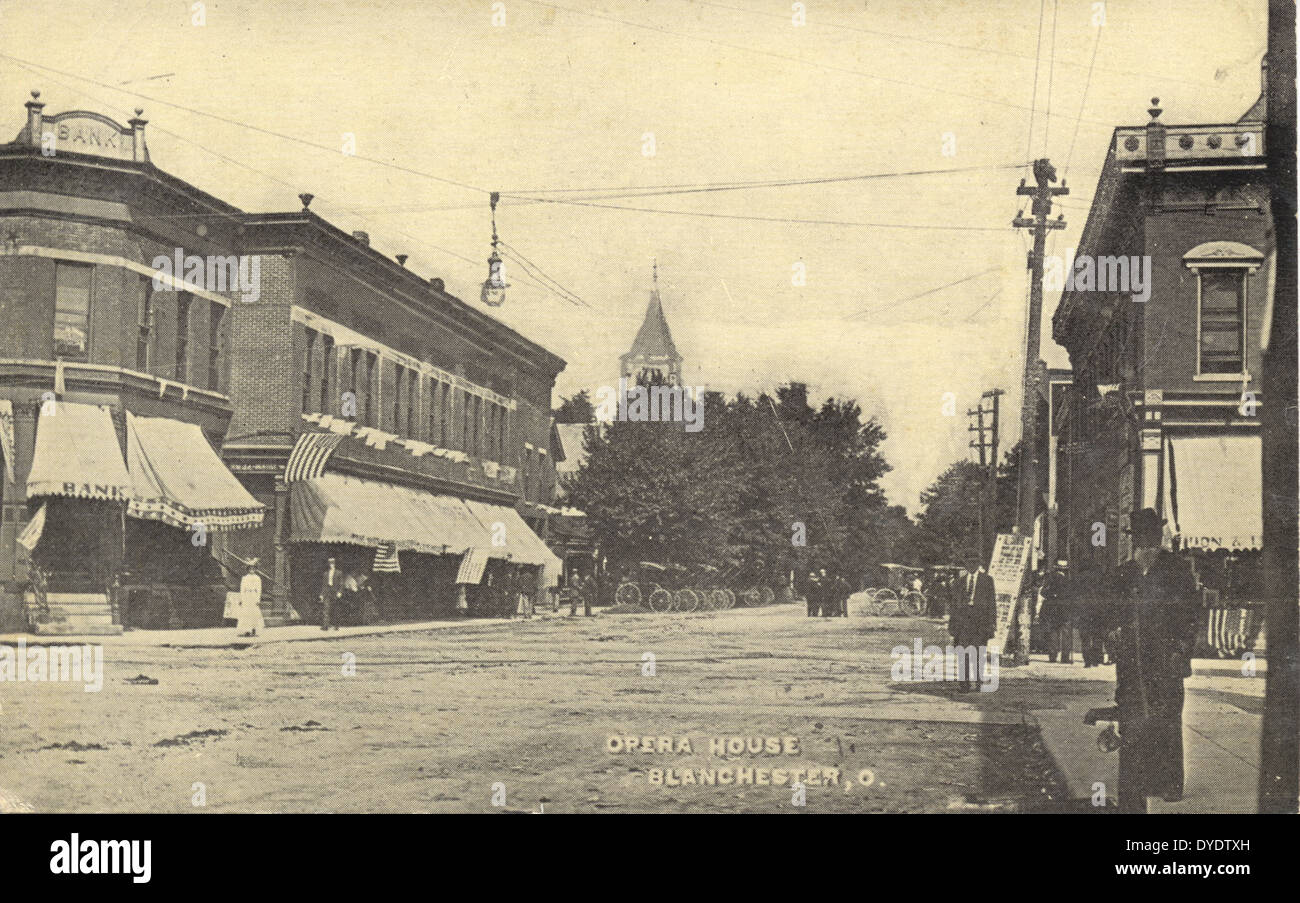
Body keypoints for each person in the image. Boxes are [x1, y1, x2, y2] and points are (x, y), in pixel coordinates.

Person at [1104, 508, 1201, 811]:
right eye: (1141, 539)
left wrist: (1181, 650)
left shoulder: (1177, 569)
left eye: (1151, 538)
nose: (1146, 545)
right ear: (1135, 541)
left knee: (1167, 719)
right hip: (1133, 661)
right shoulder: (1125, 572)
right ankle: (1145, 779)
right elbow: (1111, 611)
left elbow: (1190, 614)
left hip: (1166, 658)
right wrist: (1113, 632)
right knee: (1136, 720)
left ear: (1159, 538)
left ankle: (1171, 783)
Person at [950, 557, 997, 691]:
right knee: (963, 654)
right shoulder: (959, 582)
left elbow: (992, 603)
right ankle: (964, 684)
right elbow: (954, 605)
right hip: (963, 622)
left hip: (980, 623)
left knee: (979, 653)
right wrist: (952, 625)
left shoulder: (987, 580)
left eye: (974, 562)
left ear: (978, 564)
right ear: (965, 564)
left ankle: (978, 682)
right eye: (968, 562)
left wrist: (992, 623)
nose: (971, 565)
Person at [1039, 561, 1073, 664]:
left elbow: (1043, 592)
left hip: (1052, 608)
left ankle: (1052, 656)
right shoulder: (1068, 580)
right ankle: (1065, 657)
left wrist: (1052, 596)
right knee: (1066, 633)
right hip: (1065, 609)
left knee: (1053, 632)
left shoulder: (1050, 578)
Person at [236, 559, 265, 637]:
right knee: (246, 612)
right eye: (250, 568)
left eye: (253, 568)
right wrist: (241, 598)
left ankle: (254, 628)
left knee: (254, 612)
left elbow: (259, 589)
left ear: (255, 569)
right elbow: (242, 589)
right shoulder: (244, 578)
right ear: (248, 569)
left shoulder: (257, 578)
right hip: (246, 596)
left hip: (254, 596)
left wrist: (258, 599)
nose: (252, 569)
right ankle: (246, 630)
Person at [319, 556, 342, 631]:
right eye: (330, 563)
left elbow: (341, 584)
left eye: (332, 563)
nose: (331, 565)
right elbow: (324, 585)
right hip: (327, 592)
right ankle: (325, 626)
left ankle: (336, 625)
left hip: (335, 592)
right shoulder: (326, 574)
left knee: (335, 609)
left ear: (334, 564)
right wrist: (322, 594)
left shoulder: (339, 573)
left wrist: (340, 592)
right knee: (326, 609)